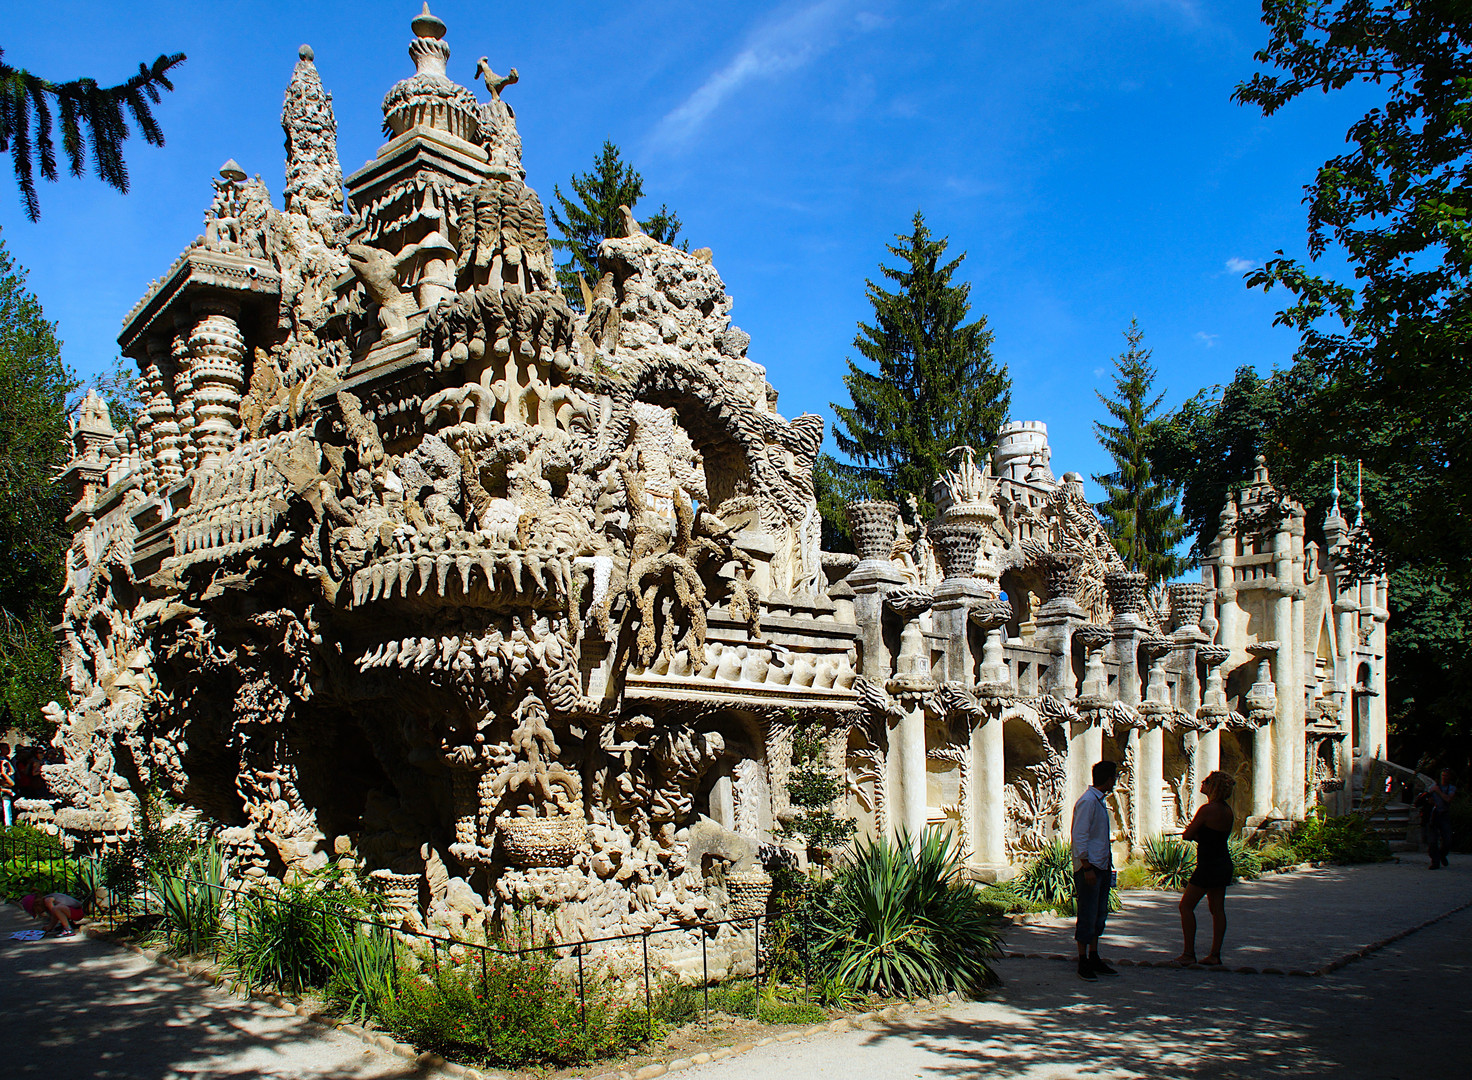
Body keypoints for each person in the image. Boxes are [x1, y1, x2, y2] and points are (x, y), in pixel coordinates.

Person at [1175, 770, 1236, 966]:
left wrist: (1197, 834)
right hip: (1222, 861)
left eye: (1207, 781)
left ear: (1213, 787)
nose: (1203, 783)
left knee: (1186, 906)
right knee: (1217, 910)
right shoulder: (1226, 810)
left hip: (1208, 864)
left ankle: (1188, 953)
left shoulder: (1207, 810)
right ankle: (1215, 954)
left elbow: (1187, 834)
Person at [1071, 759, 1119, 981]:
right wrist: (1087, 867)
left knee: (1099, 913)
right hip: (1089, 868)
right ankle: (1083, 960)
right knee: (1088, 913)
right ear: (1109, 779)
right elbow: (1079, 837)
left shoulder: (1098, 801)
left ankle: (1094, 955)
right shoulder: (1088, 802)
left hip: (1100, 866)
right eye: (1114, 777)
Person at [1427, 769, 1457, 870]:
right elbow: (1427, 798)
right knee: (1432, 841)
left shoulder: (1451, 788)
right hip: (1434, 815)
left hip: (1444, 815)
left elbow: (1448, 799)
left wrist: (1438, 791)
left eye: (1446, 776)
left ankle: (1442, 855)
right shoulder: (1433, 787)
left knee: (1448, 839)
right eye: (1443, 775)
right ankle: (1435, 862)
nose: (1444, 778)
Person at [19, 891, 84, 937]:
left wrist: (50, 926)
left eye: (36, 911)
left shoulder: (48, 900)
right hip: (71, 911)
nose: (39, 913)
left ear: (37, 904)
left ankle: (68, 930)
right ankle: (66, 925)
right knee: (57, 909)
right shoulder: (45, 902)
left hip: (77, 912)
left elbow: (55, 915)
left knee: (56, 909)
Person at [0, 742, 14, 828]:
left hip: (6, 787)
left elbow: (12, 773)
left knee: (7, 808)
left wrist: (8, 764)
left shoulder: (6, 759)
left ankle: (8, 827)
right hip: (4, 789)